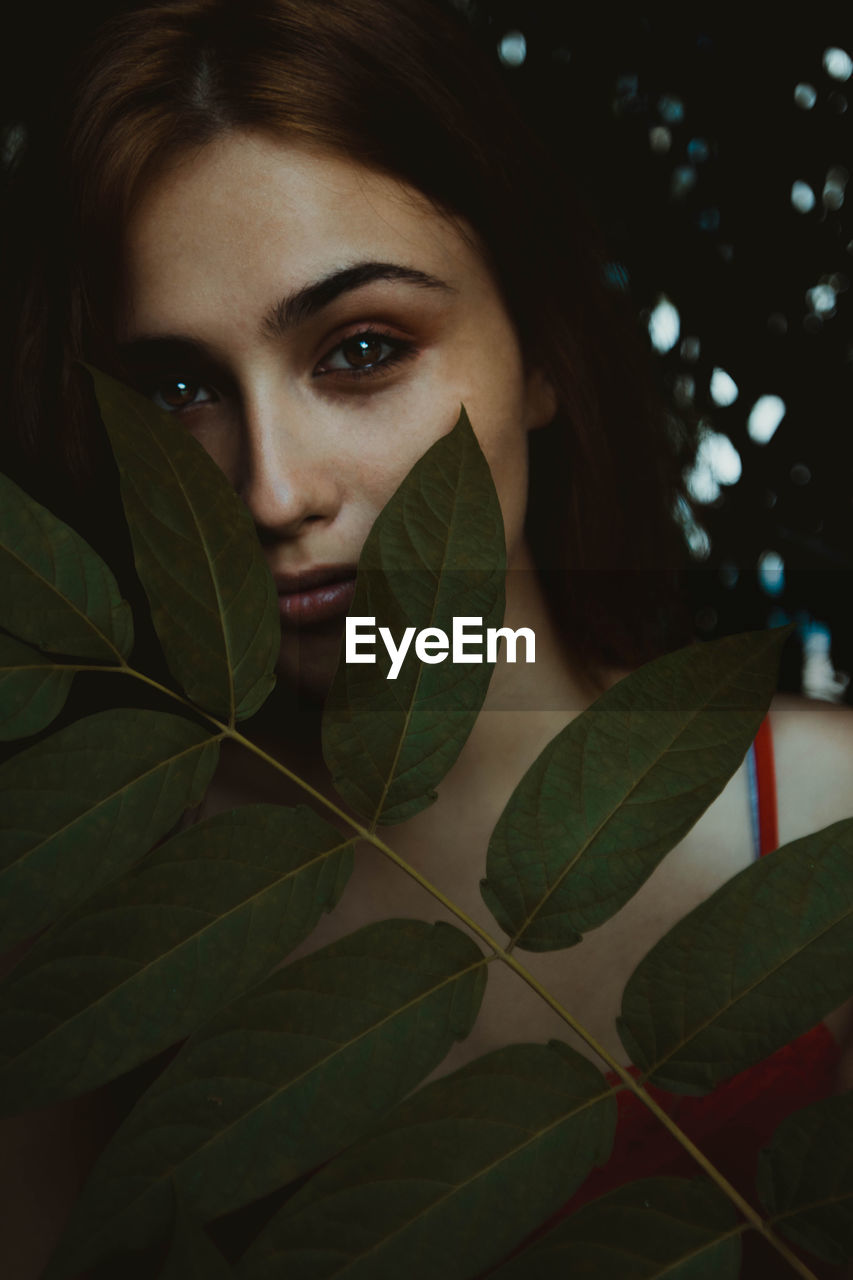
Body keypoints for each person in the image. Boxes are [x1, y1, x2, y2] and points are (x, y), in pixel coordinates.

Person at [1, 1, 852, 1275]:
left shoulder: (831, 817)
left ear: (545, 352)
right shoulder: (91, 914)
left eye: (360, 348)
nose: (273, 490)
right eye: (177, 388)